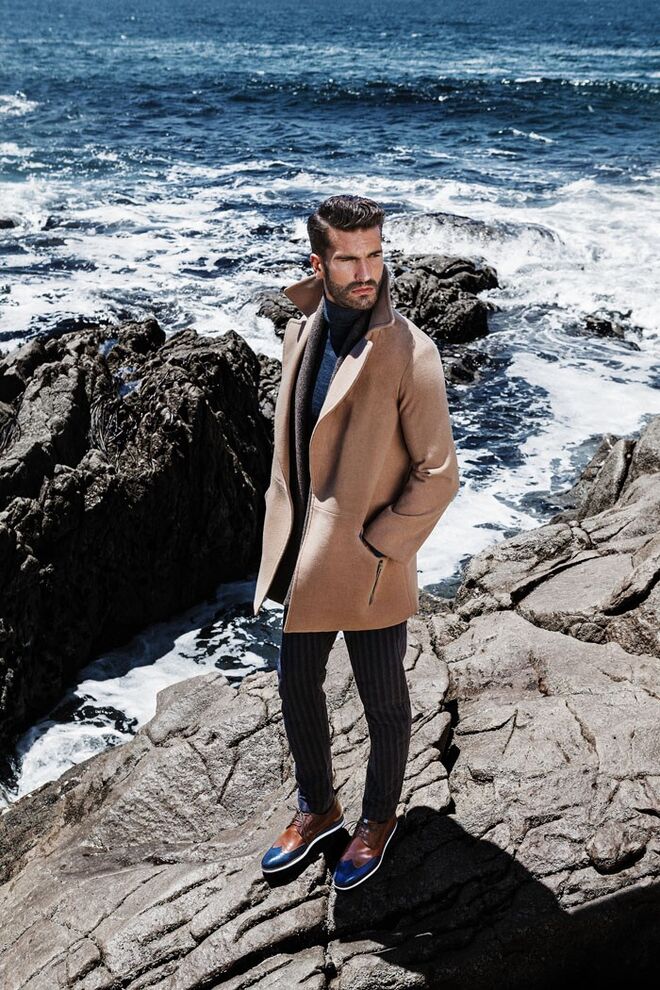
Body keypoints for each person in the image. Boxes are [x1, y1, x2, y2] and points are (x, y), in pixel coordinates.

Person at [254, 195, 460, 890]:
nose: (366, 271)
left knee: (384, 700)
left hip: (370, 561)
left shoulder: (409, 351)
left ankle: (377, 820)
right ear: (319, 262)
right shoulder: (302, 330)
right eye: (348, 258)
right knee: (296, 686)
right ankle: (318, 808)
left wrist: (382, 547)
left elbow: (439, 472)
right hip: (306, 553)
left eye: (374, 254)